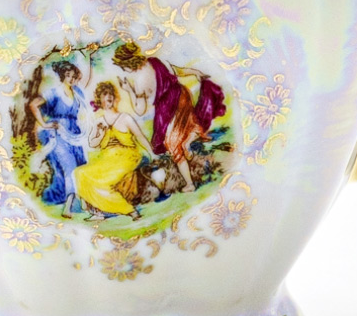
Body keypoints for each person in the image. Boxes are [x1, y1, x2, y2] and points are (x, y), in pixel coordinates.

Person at [111, 42, 224, 192]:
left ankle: (189, 184)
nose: (123, 70)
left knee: (173, 145)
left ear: (127, 64)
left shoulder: (139, 81)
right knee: (187, 125)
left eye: (122, 66)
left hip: (168, 108)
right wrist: (195, 72)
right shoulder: (155, 61)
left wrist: (129, 90)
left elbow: (139, 110)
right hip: (182, 96)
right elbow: (178, 71)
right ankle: (189, 143)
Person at [73, 82, 148, 221]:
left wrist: (152, 152)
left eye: (110, 95)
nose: (108, 97)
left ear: (114, 98)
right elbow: (92, 143)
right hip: (107, 159)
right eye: (104, 95)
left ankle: (130, 211)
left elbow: (140, 137)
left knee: (103, 182)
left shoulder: (125, 118)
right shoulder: (99, 121)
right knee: (80, 173)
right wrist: (101, 135)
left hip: (127, 157)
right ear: (99, 100)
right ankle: (98, 212)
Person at [28, 57, 87, 216]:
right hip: (58, 135)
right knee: (70, 167)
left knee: (81, 166)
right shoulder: (54, 92)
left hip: (74, 134)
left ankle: (84, 203)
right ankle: (68, 207)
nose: (71, 79)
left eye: (73, 76)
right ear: (62, 76)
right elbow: (33, 105)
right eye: (68, 75)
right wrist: (44, 124)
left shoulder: (77, 92)